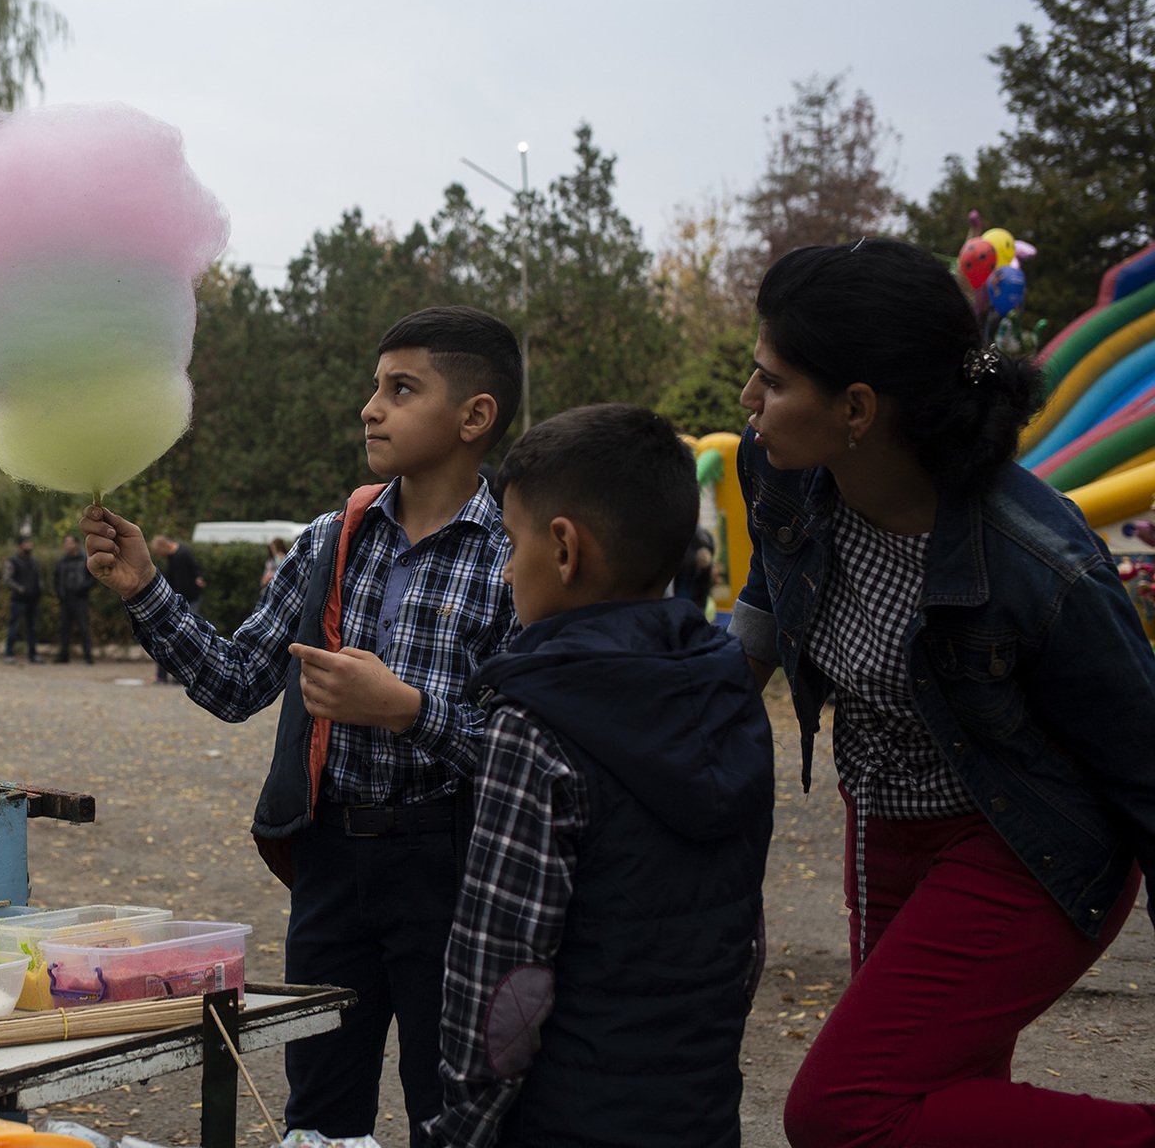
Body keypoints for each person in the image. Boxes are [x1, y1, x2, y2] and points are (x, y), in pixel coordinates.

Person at [733, 239, 1155, 1148]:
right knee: (935, 1102)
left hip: (1030, 845)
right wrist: (703, 698)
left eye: (771, 380)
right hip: (885, 823)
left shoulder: (1039, 564)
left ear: (856, 408)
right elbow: (774, 577)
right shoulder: (776, 470)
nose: (748, 401)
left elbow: (1144, 767)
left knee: (842, 1111)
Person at [82, 305, 521, 1145]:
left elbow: (526, 750)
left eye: (401, 389)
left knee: (454, 1109)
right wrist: (145, 588)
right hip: (331, 865)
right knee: (318, 1108)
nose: (370, 406)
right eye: (373, 386)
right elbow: (237, 682)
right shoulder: (333, 539)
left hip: (453, 871)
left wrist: (410, 712)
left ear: (475, 417)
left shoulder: (513, 553)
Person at [428, 404, 772, 1147]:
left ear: (562, 549)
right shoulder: (727, 692)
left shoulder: (536, 722)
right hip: (699, 1111)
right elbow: (746, 941)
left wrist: (460, 1128)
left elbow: (501, 982)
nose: (505, 567)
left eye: (510, 544)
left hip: (566, 1119)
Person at [149, 533, 204, 683]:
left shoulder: (182, 554)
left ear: (163, 546)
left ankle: (180, 675)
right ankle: (169, 675)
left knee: (184, 637)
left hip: (188, 601)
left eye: (159, 552)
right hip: (180, 601)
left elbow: (190, 576)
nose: (160, 555)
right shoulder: (173, 557)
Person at [54, 534, 95, 664]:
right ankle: (64, 655)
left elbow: (92, 578)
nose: (67, 545)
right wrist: (59, 593)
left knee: (84, 627)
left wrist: (83, 588)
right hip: (66, 598)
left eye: (69, 542)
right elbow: (56, 578)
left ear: (76, 544)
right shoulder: (62, 560)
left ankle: (88, 655)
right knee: (64, 628)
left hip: (80, 598)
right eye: (65, 542)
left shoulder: (85, 559)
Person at [4, 535, 43, 663]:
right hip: (18, 599)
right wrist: (21, 589)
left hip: (32, 599)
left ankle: (33, 654)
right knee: (14, 626)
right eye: (27, 543)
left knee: (32, 628)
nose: (29, 546)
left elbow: (37, 578)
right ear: (21, 545)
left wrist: (38, 590)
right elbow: (7, 579)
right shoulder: (13, 561)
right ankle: (9, 653)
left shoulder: (33, 561)